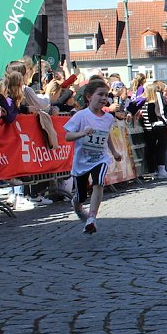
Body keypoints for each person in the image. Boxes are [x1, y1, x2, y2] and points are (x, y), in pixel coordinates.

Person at [63, 79, 123, 235]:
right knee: (81, 195)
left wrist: (114, 152)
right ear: (89, 96)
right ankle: (77, 205)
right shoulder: (80, 116)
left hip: (100, 158)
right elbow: (67, 136)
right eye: (100, 94)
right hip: (82, 161)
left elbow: (106, 135)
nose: (104, 98)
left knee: (99, 183)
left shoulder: (109, 118)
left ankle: (91, 218)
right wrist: (82, 133)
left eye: (106, 95)